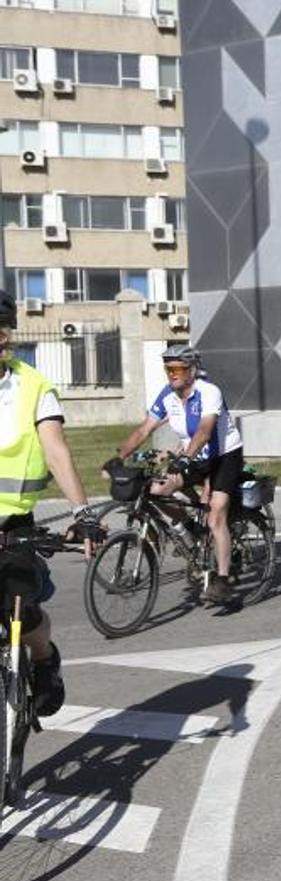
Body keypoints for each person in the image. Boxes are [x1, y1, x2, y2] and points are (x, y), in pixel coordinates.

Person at [0, 291, 102, 717]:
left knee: (20, 614)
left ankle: (44, 662)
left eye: (4, 334)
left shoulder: (34, 385)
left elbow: (56, 450)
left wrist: (82, 512)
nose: (3, 343)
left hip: (13, 524)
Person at [112, 344, 245, 606]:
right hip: (193, 455)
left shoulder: (209, 392)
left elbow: (205, 430)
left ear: (192, 370)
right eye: (168, 368)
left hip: (223, 456)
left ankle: (223, 579)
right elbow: (143, 430)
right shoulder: (167, 395)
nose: (172, 374)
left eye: (178, 368)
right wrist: (119, 457)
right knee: (155, 491)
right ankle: (190, 530)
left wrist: (184, 458)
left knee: (216, 513)